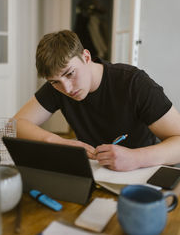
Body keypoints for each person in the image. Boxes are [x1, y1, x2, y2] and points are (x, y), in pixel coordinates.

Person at [14, 30, 180, 171]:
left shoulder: (134, 83)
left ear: (86, 57)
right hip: (97, 172)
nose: (67, 89)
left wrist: (136, 158)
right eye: (54, 82)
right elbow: (15, 124)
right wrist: (57, 142)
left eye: (70, 73)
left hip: (143, 171)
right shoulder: (59, 85)